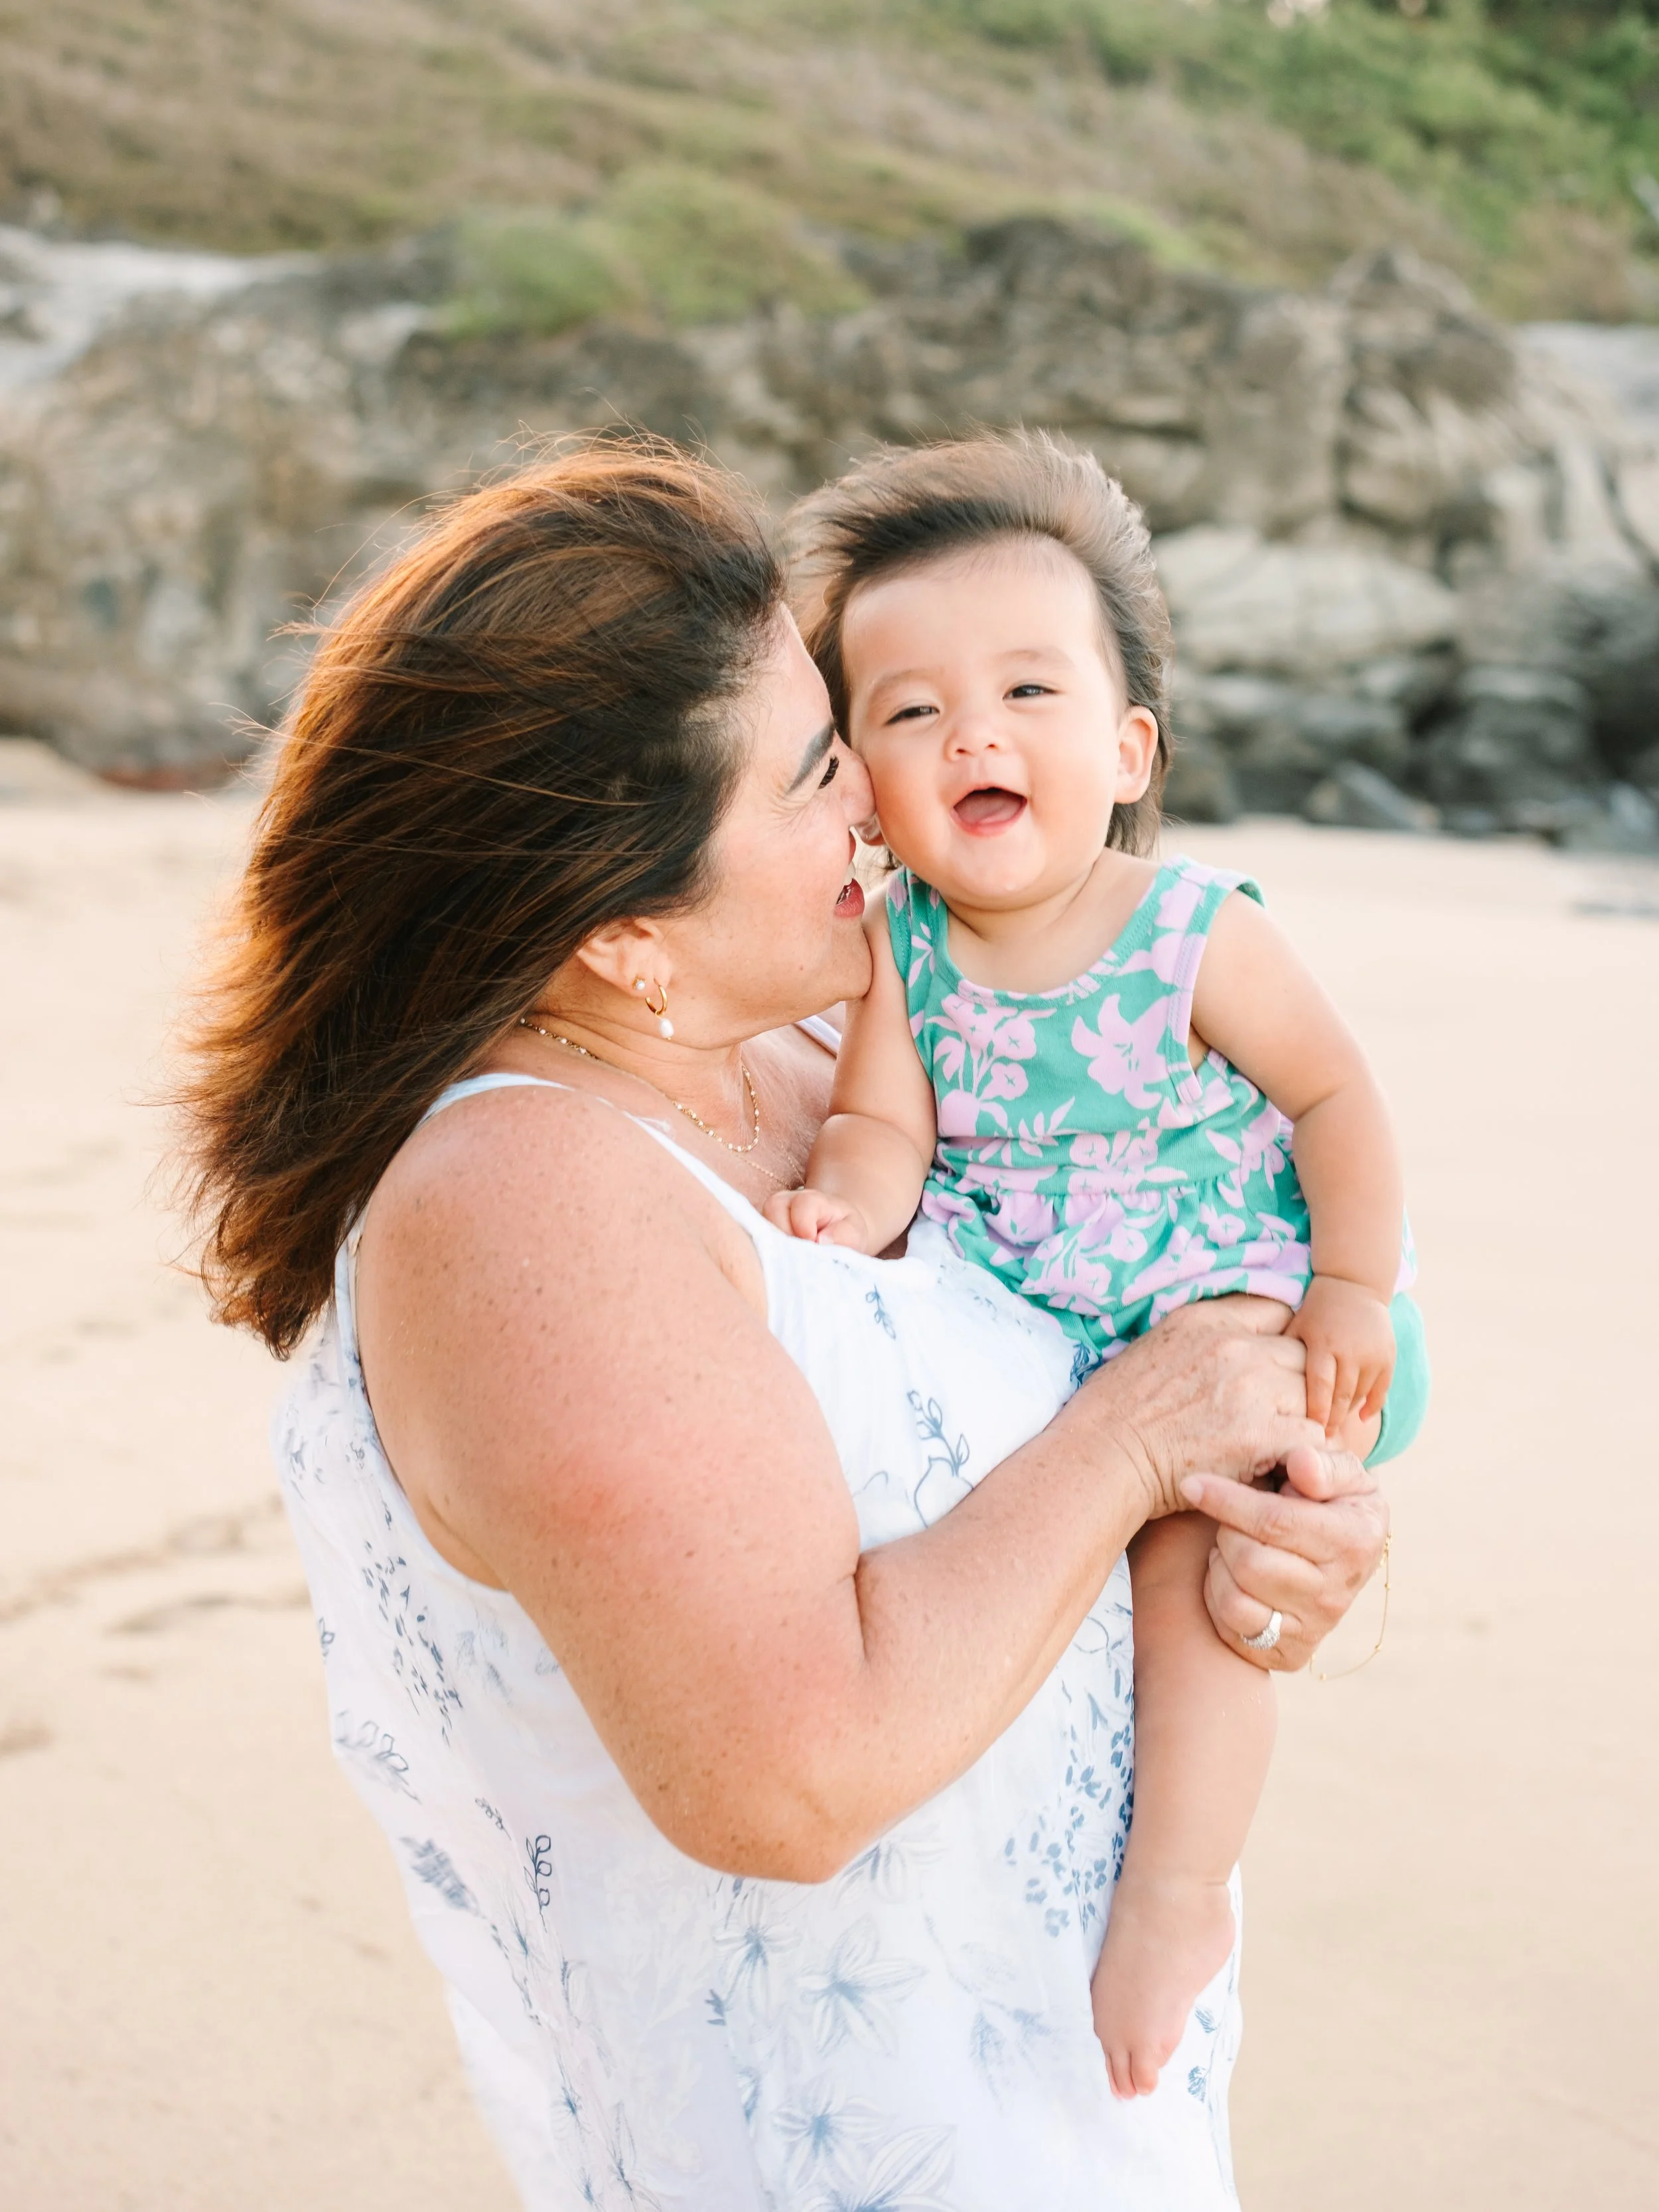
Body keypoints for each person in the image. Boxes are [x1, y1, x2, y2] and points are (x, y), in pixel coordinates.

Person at [178, 436, 1392, 2212]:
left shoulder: (833, 1063)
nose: (879, 806)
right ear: (619, 930)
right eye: (820, 768)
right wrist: (1132, 1433)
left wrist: (1278, 1528)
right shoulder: (525, 1203)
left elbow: (1147, 1334)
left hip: (1077, 2092)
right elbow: (786, 1771)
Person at [770, 431, 1429, 2099]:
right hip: (1030, 1307)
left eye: (1024, 693)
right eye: (909, 711)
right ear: (858, 773)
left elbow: (1337, 1094)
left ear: (1127, 745)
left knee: (1190, 1584)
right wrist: (842, 1200)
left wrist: (1351, 1286)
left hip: (1209, 1291)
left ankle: (1177, 1887)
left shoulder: (1193, 927)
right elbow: (880, 1129)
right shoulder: (897, 955)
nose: (968, 731)